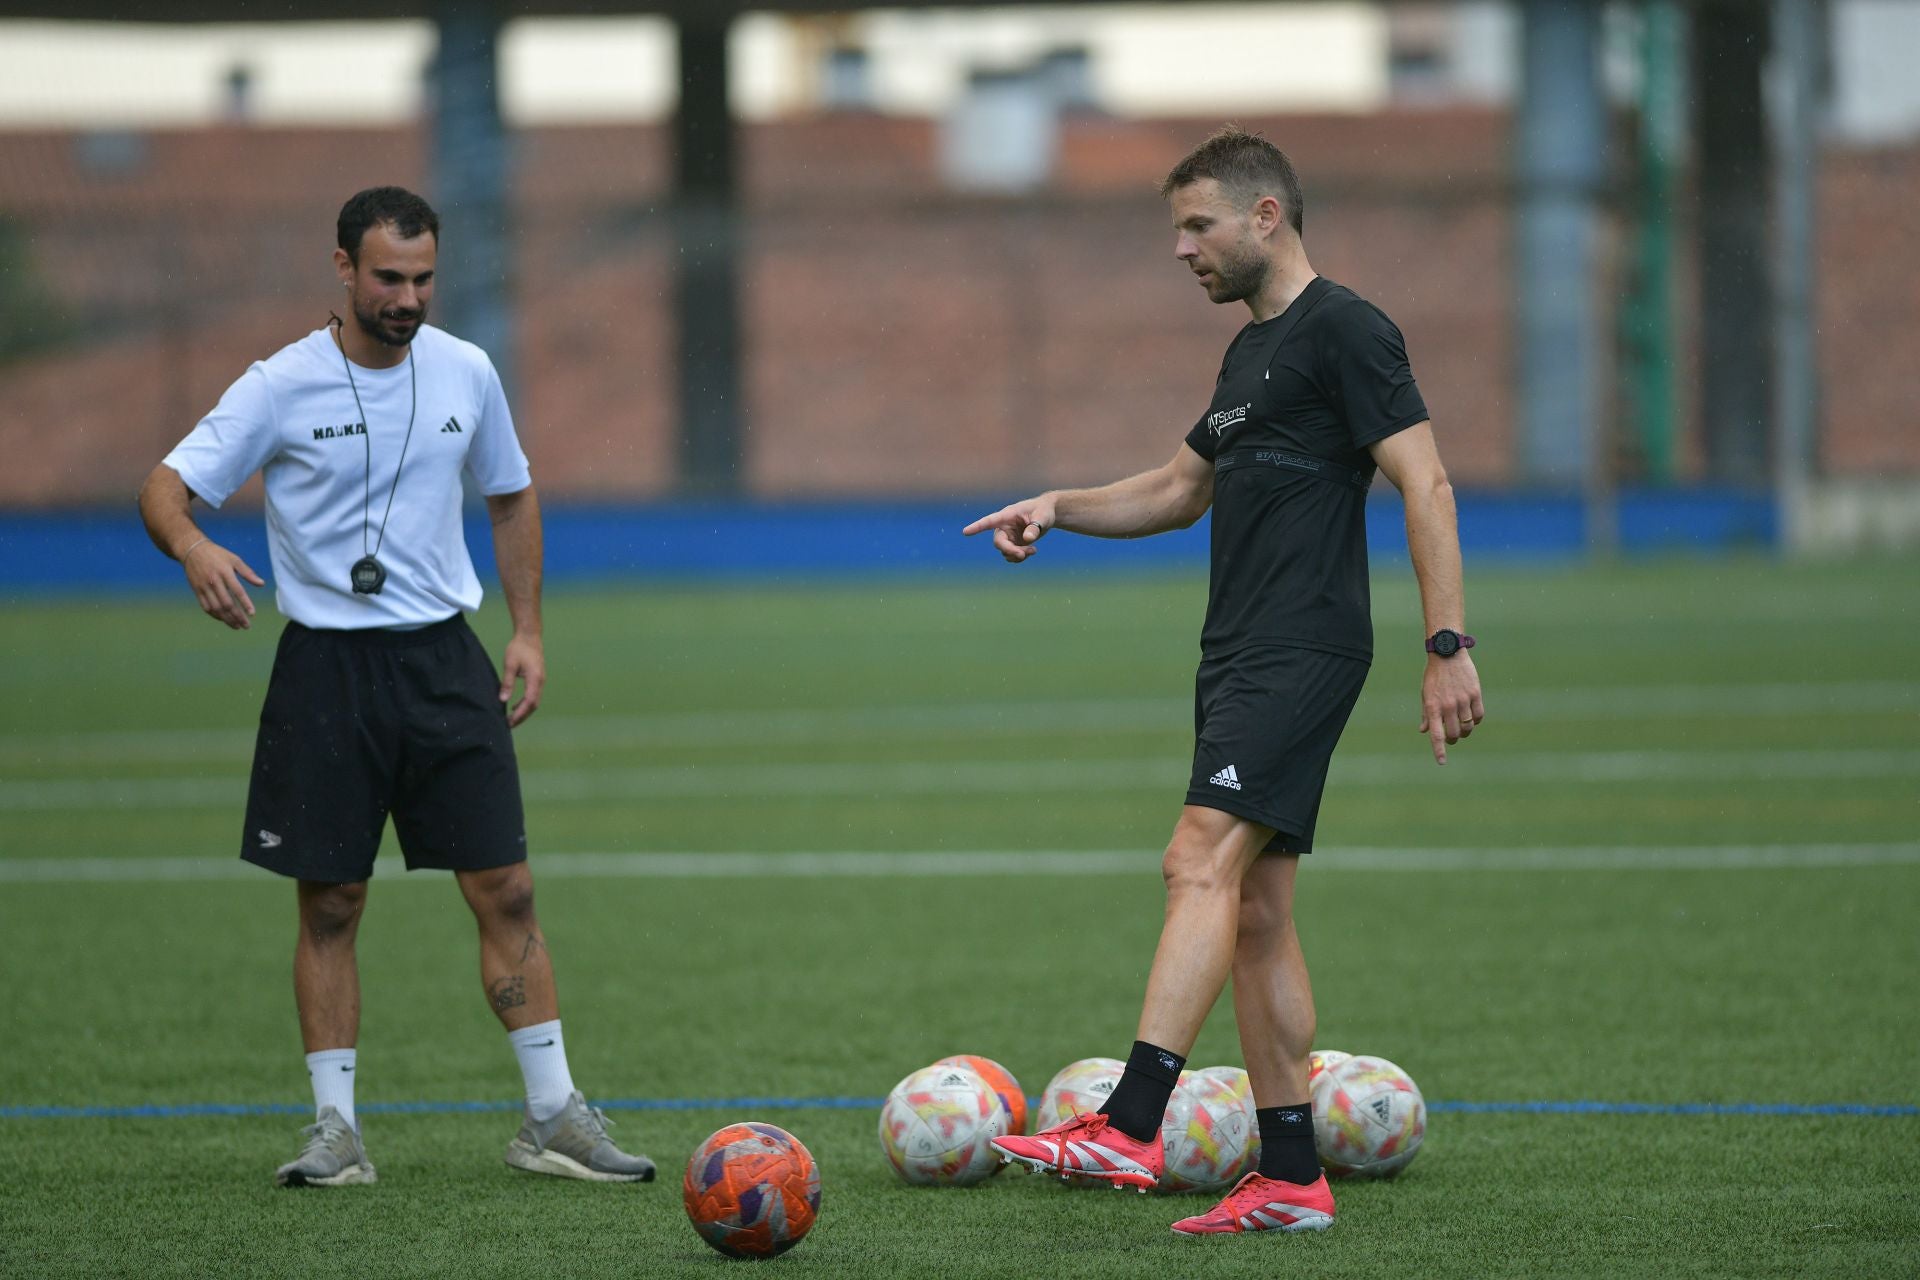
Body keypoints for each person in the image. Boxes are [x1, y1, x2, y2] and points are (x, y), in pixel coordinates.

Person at [967, 128, 1484, 1235]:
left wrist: (1447, 645)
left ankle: (1129, 1120)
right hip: (1238, 650)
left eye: (1197, 225)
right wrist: (1056, 504)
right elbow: (1174, 486)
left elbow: (1426, 481)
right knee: (1254, 908)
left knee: (1194, 856)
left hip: (1303, 644)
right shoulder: (1250, 354)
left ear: (1266, 217)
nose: (1181, 249)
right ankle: (1292, 1174)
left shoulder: (1345, 327)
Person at [136, 186, 653, 1189]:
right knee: (331, 902)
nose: (408, 296)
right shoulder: (279, 384)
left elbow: (510, 493)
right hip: (325, 668)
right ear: (342, 267)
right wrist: (194, 544)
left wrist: (530, 629)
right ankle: (336, 1130)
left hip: (443, 661)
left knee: (506, 884)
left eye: (422, 277)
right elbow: (165, 486)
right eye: (387, 277)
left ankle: (552, 1114)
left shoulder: (467, 369)